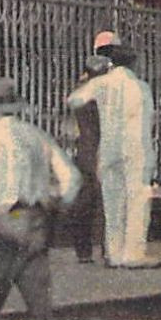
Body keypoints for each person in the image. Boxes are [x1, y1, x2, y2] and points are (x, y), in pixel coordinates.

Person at [0, 77, 81, 320]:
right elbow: (72, 177)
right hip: (37, 220)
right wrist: (56, 200)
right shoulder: (36, 135)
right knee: (39, 304)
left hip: (5, 222)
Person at [66, 43, 161, 268]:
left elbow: (74, 100)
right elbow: (148, 120)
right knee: (136, 201)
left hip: (108, 149)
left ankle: (114, 252)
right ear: (134, 63)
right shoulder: (142, 87)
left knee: (112, 203)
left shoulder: (101, 83)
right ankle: (134, 254)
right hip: (135, 148)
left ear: (112, 63)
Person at [67, 54, 112, 263]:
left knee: (84, 203)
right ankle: (107, 249)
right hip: (102, 152)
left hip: (84, 152)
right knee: (106, 204)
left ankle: (83, 251)